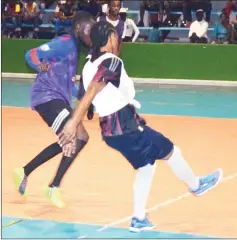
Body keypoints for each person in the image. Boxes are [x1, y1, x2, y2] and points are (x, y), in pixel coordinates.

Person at [58, 21, 222, 233]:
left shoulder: (88, 63)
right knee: (172, 151)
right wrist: (72, 124)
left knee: (146, 167)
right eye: (115, 35)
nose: (118, 38)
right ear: (108, 38)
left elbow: (83, 96)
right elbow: (91, 91)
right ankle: (196, 185)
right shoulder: (111, 62)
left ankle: (138, 218)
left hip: (111, 132)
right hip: (126, 127)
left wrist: (79, 119)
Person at [12, 11, 96, 209]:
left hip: (58, 97)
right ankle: (54, 186)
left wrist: (86, 100)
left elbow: (68, 84)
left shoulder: (75, 49)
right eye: (89, 31)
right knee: (73, 137)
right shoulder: (66, 41)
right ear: (78, 29)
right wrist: (37, 64)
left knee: (81, 138)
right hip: (47, 96)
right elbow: (31, 53)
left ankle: (24, 171)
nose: (92, 36)